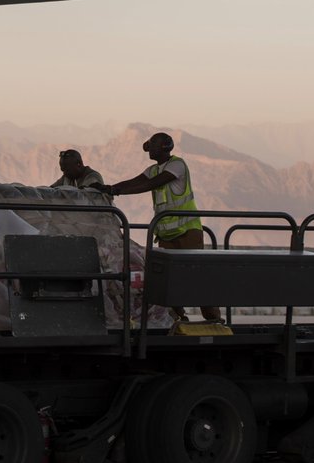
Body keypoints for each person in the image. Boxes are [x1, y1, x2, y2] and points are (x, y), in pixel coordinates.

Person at [93, 132, 221, 323]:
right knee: (168, 280)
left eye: (153, 146)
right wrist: (111, 188)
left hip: (187, 231)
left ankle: (213, 318)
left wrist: (117, 191)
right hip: (165, 234)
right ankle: (178, 317)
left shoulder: (177, 165)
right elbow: (136, 181)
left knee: (196, 276)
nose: (149, 149)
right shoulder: (153, 169)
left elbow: (151, 184)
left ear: (164, 147)